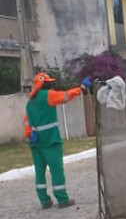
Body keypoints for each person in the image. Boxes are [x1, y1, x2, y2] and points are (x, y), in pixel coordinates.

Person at [23, 72, 91, 209]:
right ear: (44, 84)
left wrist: (29, 134)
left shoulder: (30, 102)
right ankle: (62, 199)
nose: (51, 84)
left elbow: (26, 121)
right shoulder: (49, 95)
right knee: (56, 170)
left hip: (36, 142)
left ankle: (44, 201)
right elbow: (66, 96)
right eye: (49, 82)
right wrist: (82, 88)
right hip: (50, 141)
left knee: (40, 172)